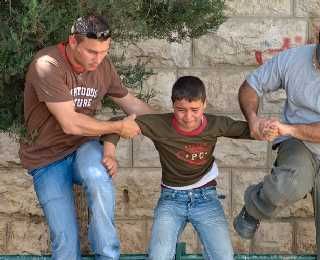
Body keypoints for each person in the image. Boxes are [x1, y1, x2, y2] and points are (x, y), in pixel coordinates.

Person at [233, 16, 320, 260]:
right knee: (286, 186)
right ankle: (254, 207)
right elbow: (250, 86)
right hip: (300, 146)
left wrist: (287, 129)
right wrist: (253, 119)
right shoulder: (292, 58)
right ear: (317, 41)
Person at [19, 15, 153, 260]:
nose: (99, 58)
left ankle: (108, 256)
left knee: (99, 178)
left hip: (82, 147)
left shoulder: (103, 65)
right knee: (65, 243)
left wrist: (171, 126)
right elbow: (70, 123)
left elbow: (129, 102)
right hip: (46, 159)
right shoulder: (47, 64)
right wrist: (119, 127)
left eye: (104, 51)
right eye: (92, 52)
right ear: (73, 41)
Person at [101, 76, 271, 260]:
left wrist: (268, 130)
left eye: (195, 110)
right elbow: (118, 123)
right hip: (171, 200)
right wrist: (109, 154)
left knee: (224, 256)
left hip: (206, 197)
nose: (188, 117)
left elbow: (249, 130)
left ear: (204, 104)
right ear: (173, 105)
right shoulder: (161, 125)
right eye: (181, 110)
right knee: (159, 255)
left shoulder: (215, 124)